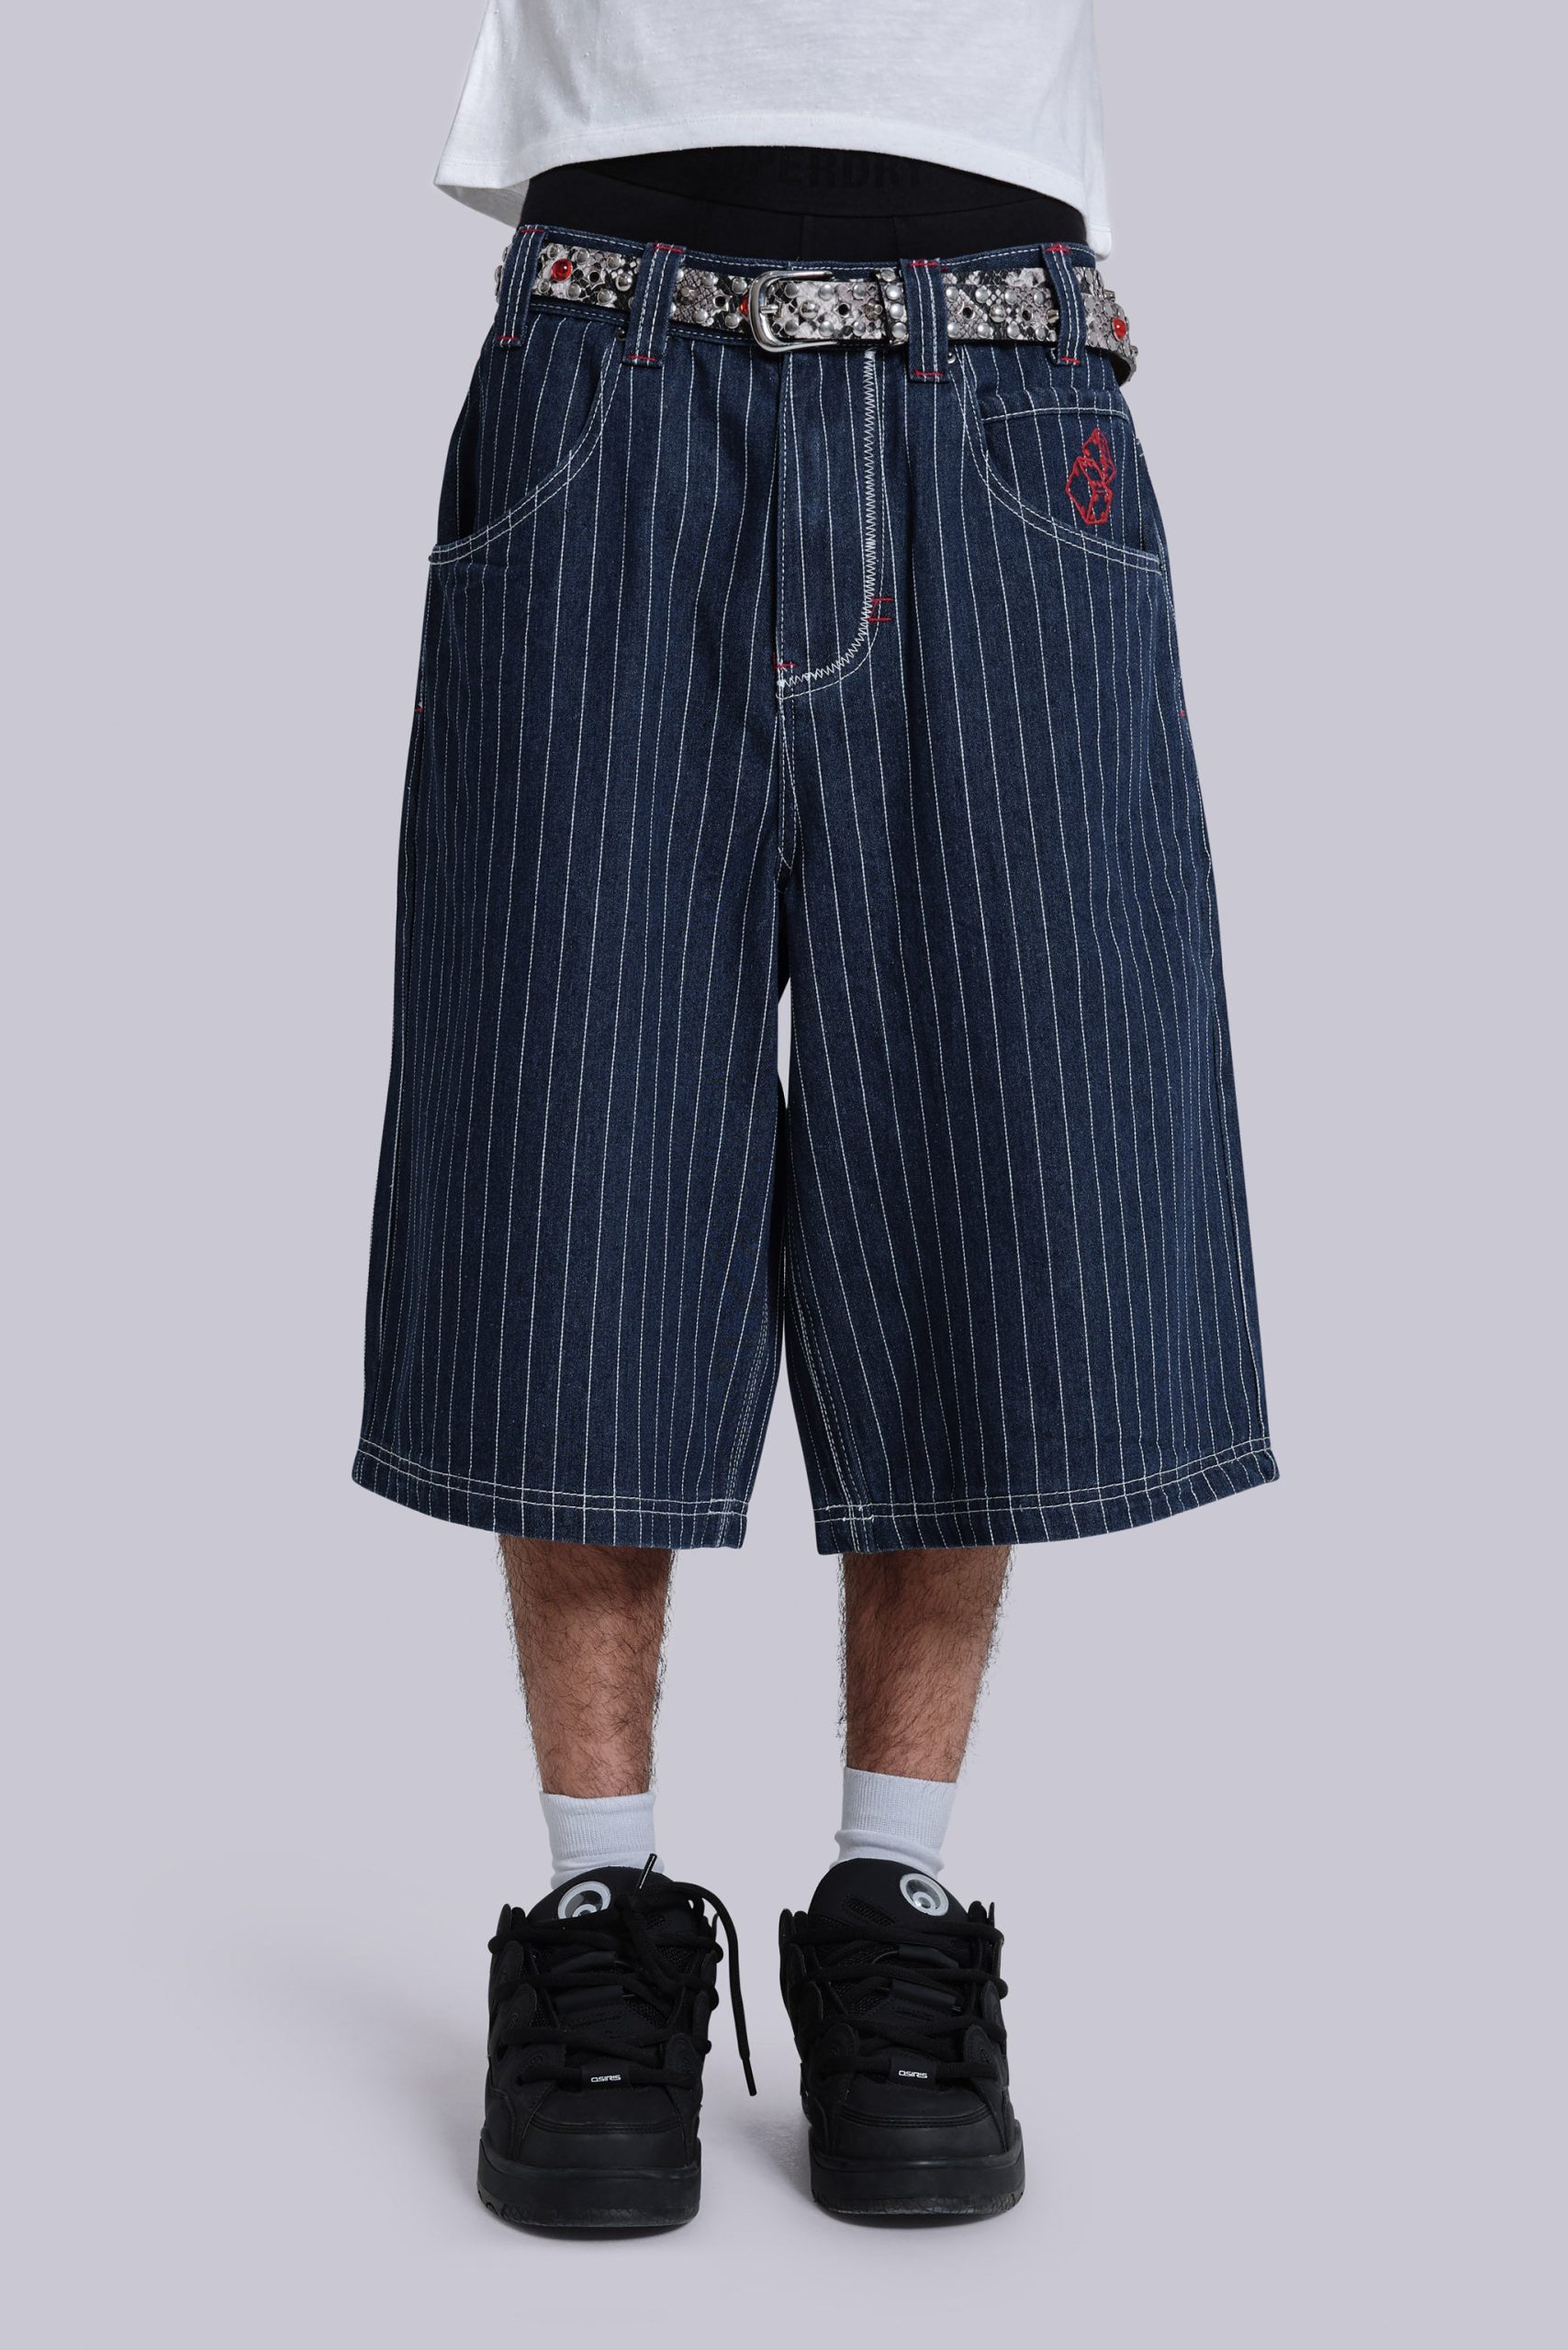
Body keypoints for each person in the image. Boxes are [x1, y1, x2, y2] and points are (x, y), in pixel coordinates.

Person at [353, 0, 1278, 2232]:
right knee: (569, 1152)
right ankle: (597, 1915)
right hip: (607, 365)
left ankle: (895, 1905)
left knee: (985, 1164)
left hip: (1004, 378)